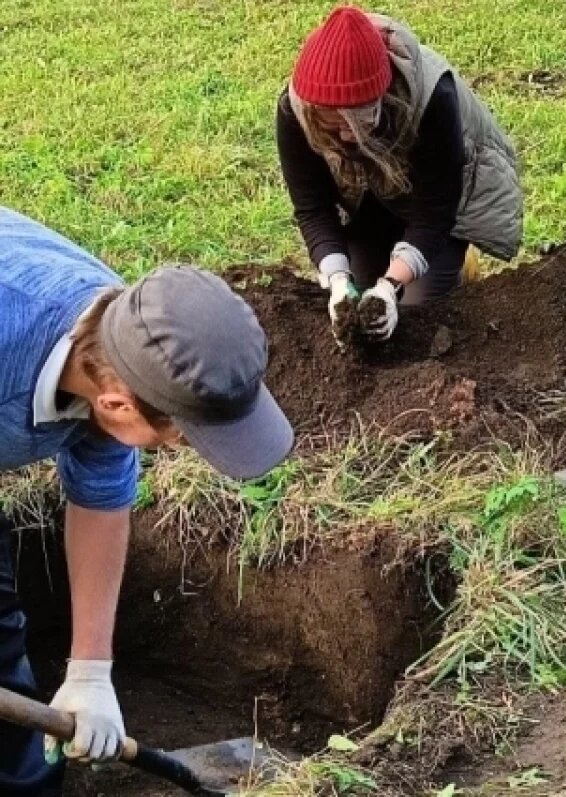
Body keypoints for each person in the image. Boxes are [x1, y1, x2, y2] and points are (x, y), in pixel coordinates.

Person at [0, 206, 294, 794]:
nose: (182, 450)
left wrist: (89, 671)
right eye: (181, 436)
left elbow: (102, 496)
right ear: (117, 406)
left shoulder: (126, 343)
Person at [276, 6, 524, 344]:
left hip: (433, 202)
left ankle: (460, 263)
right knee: (361, 303)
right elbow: (312, 207)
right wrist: (337, 280)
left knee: (414, 314)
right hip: (366, 197)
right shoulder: (296, 110)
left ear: (384, 93)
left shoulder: (433, 96)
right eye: (335, 126)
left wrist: (391, 286)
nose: (348, 137)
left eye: (361, 121)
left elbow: (436, 211)